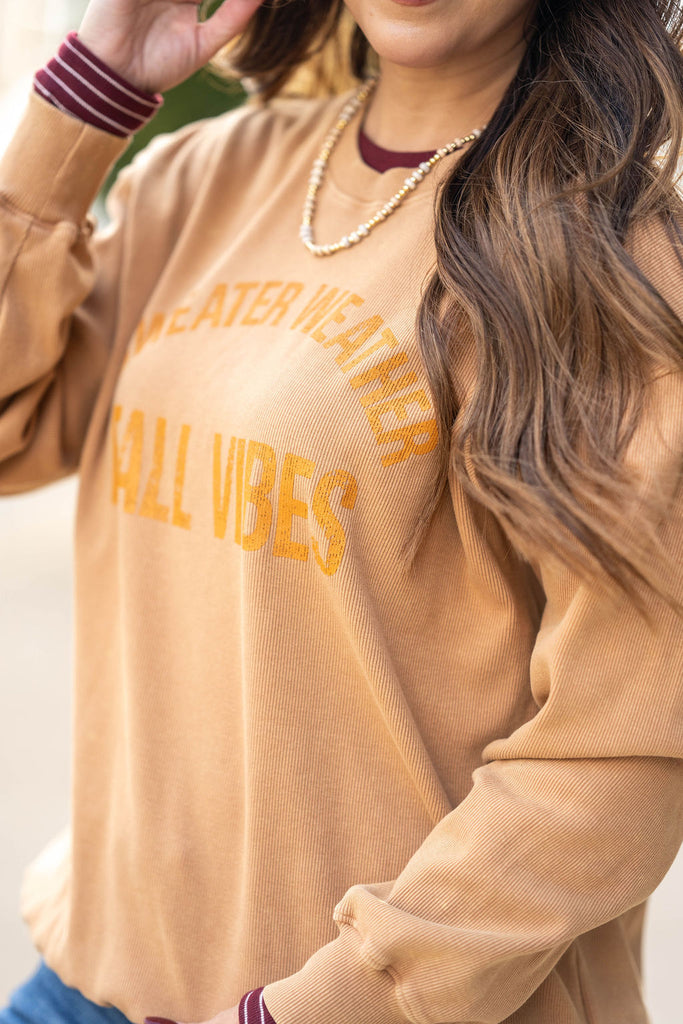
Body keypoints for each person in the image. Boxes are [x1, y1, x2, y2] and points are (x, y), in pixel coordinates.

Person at [0, 0, 681, 1023]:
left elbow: (617, 755)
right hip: (93, 984)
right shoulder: (204, 177)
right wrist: (89, 94)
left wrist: (323, 1005)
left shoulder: (610, 264)